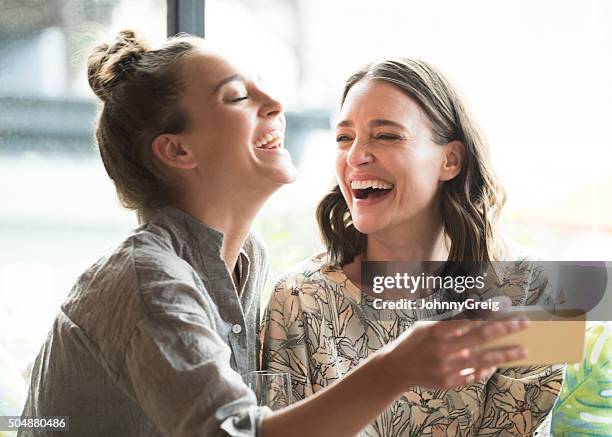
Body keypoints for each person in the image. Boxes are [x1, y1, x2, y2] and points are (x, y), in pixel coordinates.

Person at [19, 32, 530, 437]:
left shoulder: (245, 262)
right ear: (177, 152)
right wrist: (395, 368)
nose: (275, 103)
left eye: (387, 135)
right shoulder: (155, 281)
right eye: (239, 96)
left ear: (451, 159)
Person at [262, 58, 565, 436]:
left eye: (386, 135)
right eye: (344, 138)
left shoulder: (533, 287)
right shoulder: (298, 296)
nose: (355, 156)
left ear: (450, 159)